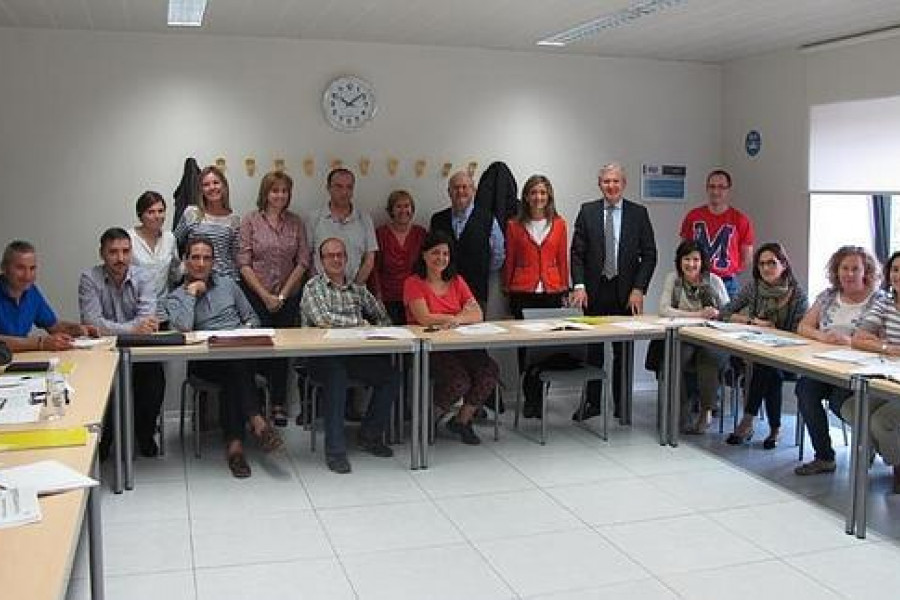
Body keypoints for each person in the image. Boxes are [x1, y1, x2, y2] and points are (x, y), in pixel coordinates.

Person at [164, 236, 283, 478]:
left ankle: (235, 447)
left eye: (206, 258)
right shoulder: (175, 296)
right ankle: (257, 420)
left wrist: (245, 330)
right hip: (206, 361)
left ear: (213, 262)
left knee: (235, 369)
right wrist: (191, 293)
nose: (200, 263)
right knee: (235, 368)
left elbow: (252, 317)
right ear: (186, 261)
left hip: (239, 352)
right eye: (195, 258)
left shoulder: (228, 284)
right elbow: (184, 327)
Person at [300, 237, 400, 474]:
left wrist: (375, 328)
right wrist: (360, 323)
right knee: (336, 376)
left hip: (354, 355)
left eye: (340, 255)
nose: (336, 259)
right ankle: (335, 452)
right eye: (329, 256)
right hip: (320, 358)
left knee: (391, 376)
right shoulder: (313, 288)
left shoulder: (358, 290)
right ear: (321, 260)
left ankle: (370, 435)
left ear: (346, 258)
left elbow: (384, 318)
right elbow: (324, 320)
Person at [569, 163, 657, 421]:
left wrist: (639, 289)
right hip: (594, 293)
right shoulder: (587, 211)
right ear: (600, 184)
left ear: (624, 184)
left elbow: (650, 255)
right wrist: (579, 285)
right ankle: (592, 403)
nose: (611, 186)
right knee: (593, 352)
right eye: (606, 181)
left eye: (615, 181)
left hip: (626, 292)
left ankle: (622, 405)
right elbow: (577, 253)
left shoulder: (638, 214)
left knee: (623, 353)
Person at [404, 231, 500, 445]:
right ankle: (428, 420)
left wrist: (454, 320)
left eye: (445, 254)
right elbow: (424, 317)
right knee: (459, 381)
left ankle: (461, 421)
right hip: (430, 349)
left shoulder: (457, 281)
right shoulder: (413, 283)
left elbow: (478, 314)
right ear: (424, 255)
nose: (441, 258)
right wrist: (458, 316)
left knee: (489, 371)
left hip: (461, 346)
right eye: (435, 253)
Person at [794, 246, 882, 476]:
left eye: (855, 268)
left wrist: (851, 341)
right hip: (825, 364)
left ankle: (869, 442)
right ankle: (824, 457)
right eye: (845, 268)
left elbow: (881, 338)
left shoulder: (879, 300)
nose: (849, 274)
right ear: (836, 270)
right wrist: (822, 336)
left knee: (838, 402)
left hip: (859, 369)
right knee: (805, 389)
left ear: (866, 271)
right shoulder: (827, 296)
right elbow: (803, 326)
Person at [78, 228, 165, 458]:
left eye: (125, 251)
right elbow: (92, 323)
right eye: (113, 252)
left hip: (139, 352)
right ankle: (105, 440)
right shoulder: (90, 278)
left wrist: (119, 330)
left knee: (155, 381)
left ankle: (144, 434)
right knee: (104, 388)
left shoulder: (144, 276)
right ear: (102, 254)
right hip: (102, 353)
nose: (120, 258)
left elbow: (147, 320)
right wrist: (133, 329)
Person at [238, 170, 310, 426]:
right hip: (255, 296)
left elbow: (302, 262)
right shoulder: (250, 221)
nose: (280, 195)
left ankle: (278, 404)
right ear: (265, 193)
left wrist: (281, 294)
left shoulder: (296, 222)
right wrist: (266, 295)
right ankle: (255, 407)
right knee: (256, 349)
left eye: (284, 191)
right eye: (274, 190)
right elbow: (244, 263)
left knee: (282, 351)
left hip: (288, 297)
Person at [721, 242, 808, 448]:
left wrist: (777, 334)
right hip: (751, 353)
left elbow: (801, 334)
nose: (766, 268)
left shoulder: (797, 296)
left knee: (769, 370)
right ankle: (774, 429)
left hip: (787, 358)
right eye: (761, 264)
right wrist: (752, 322)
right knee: (766, 368)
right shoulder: (754, 288)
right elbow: (724, 312)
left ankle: (748, 421)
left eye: (772, 263)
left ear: (784, 265)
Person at [658, 240, 729, 434]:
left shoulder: (714, 281)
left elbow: (728, 311)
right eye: (686, 259)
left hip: (712, 337)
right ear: (679, 261)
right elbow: (664, 309)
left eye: (696, 259)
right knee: (674, 361)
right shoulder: (673, 279)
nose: (691, 264)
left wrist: (715, 312)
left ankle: (706, 411)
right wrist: (697, 315)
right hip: (685, 336)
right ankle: (681, 413)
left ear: (702, 261)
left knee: (709, 358)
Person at [849, 250, 900, 494]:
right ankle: (896, 457)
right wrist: (887, 347)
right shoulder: (885, 302)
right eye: (896, 270)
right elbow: (858, 338)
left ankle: (898, 466)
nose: (899, 275)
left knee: (882, 421)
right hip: (888, 376)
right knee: (851, 408)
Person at [0, 240, 98, 352]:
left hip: (15, 361)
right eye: (20, 268)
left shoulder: (32, 292)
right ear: (4, 268)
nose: (27, 276)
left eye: (32, 268)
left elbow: (54, 326)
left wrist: (79, 329)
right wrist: (40, 343)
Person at [429, 171, 505, 307]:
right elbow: (430, 254)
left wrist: (480, 270)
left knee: (476, 328)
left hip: (476, 292)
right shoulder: (437, 220)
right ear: (449, 192)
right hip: (442, 291)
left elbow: (498, 255)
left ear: (473, 190)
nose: (460, 191)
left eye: (465, 187)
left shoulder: (488, 219)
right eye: (456, 187)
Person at [680, 169, 755, 298]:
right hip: (697, 280)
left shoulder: (740, 220)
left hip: (728, 283)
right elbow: (684, 250)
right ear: (706, 188)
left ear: (728, 190)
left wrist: (731, 271)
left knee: (730, 317)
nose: (716, 191)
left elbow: (747, 257)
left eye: (721, 187)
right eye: (712, 186)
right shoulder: (693, 216)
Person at [306, 168, 378, 285]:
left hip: (355, 289)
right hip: (321, 291)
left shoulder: (364, 219)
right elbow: (307, 258)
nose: (344, 192)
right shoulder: (314, 218)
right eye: (338, 187)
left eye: (349, 187)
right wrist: (320, 287)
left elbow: (369, 259)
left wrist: (354, 288)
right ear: (328, 188)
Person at [174, 165, 240, 281]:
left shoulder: (233, 220)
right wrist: (182, 267)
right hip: (195, 278)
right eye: (206, 185)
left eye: (216, 183)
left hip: (225, 280)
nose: (212, 187)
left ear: (224, 186)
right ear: (201, 190)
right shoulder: (192, 213)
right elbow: (174, 242)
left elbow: (235, 255)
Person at [371, 190, 427, 324]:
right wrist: (377, 295)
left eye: (407, 206)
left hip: (415, 297)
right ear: (391, 210)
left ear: (412, 209)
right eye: (398, 206)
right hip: (387, 297)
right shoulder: (381, 234)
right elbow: (374, 268)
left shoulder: (421, 233)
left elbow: (426, 266)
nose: (403, 210)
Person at [128, 191, 181, 321]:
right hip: (134, 310)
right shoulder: (129, 238)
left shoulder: (170, 238)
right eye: (151, 212)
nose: (157, 216)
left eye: (161, 211)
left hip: (162, 311)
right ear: (140, 215)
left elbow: (175, 274)